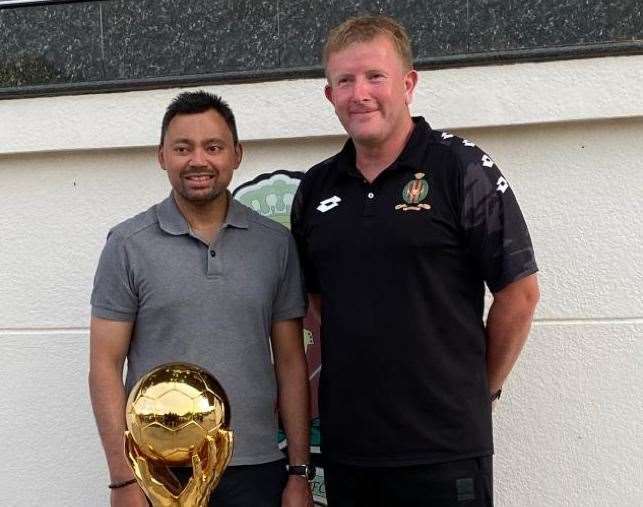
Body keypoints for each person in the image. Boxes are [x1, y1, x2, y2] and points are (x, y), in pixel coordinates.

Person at [291, 15, 540, 507]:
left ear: (408, 84)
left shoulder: (462, 168)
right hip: (350, 451)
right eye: (345, 80)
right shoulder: (316, 188)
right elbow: (319, 301)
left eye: (374, 76)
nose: (359, 93)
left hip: (444, 452)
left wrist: (477, 389)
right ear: (329, 95)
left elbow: (520, 292)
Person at [89, 91, 314, 507]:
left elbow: (289, 361)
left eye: (213, 147)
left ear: (236, 155)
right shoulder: (127, 245)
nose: (198, 160)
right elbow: (104, 366)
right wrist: (123, 479)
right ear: (161, 156)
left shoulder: (275, 245)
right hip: (159, 471)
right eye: (182, 148)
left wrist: (298, 471)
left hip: (257, 467)